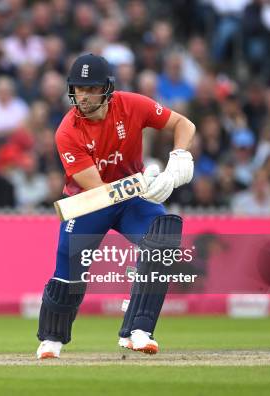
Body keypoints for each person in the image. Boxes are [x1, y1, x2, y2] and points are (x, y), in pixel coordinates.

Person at [36, 54, 195, 359]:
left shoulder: (131, 104)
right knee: (68, 271)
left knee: (163, 239)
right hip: (89, 202)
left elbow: (183, 124)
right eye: (78, 88)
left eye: (91, 88)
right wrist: (145, 183)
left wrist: (178, 158)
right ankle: (52, 339)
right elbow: (99, 188)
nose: (83, 96)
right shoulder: (67, 132)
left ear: (107, 89)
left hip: (131, 202)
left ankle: (138, 331)